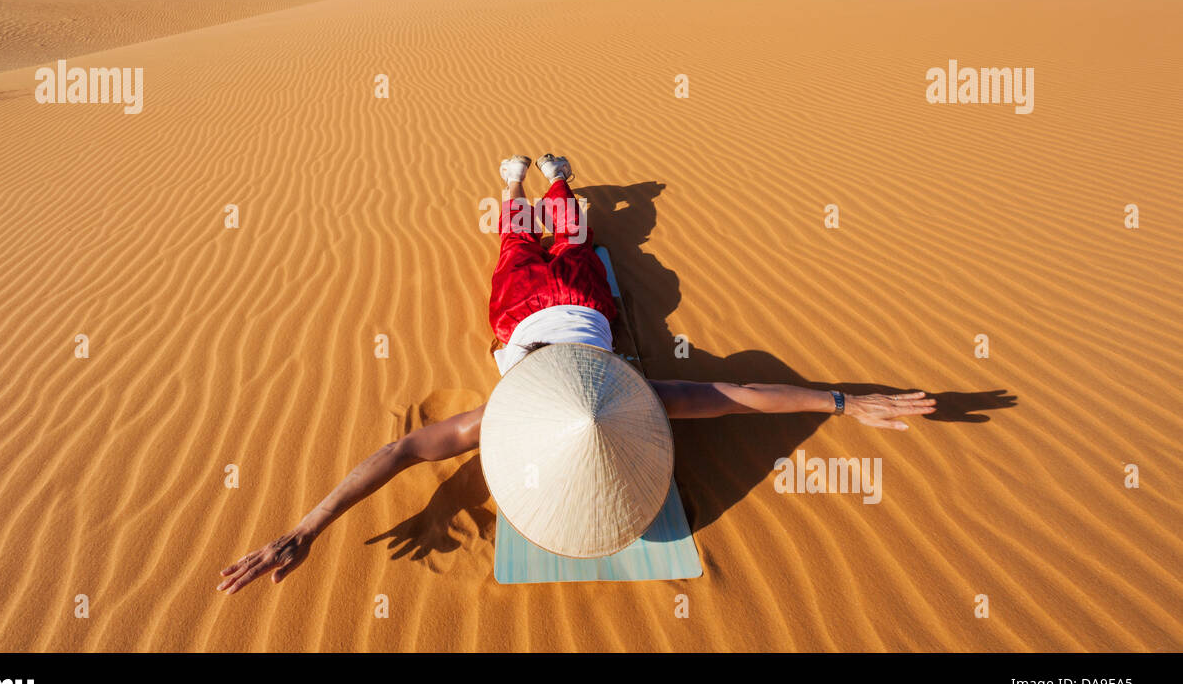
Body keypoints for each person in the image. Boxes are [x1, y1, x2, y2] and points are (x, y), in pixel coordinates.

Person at [218, 154, 935, 593]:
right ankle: (527, 180)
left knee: (534, 241)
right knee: (533, 240)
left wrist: (845, 401)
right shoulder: (645, 397)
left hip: (539, 313)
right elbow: (741, 398)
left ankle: (549, 180)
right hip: (577, 308)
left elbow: (402, 452)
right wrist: (839, 400)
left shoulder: (508, 417)